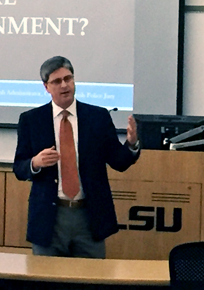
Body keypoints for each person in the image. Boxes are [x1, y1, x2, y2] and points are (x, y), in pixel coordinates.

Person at [13, 56, 140, 258]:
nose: (64, 85)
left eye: (68, 79)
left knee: (91, 285)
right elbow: (19, 167)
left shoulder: (97, 117)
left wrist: (131, 144)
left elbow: (119, 161)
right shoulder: (31, 120)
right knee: (45, 285)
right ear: (46, 87)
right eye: (57, 81)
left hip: (89, 216)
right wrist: (35, 163)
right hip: (50, 218)